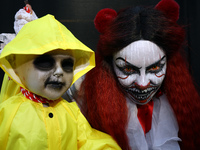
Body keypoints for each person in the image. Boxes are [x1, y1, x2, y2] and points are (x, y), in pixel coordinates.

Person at [78, 0, 200, 149]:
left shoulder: (177, 105)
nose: (143, 84)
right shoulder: (83, 100)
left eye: (155, 68)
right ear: (110, 66)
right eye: (128, 70)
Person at [0, 14, 121, 150]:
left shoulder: (71, 112)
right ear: (17, 67)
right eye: (45, 63)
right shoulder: (6, 113)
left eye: (67, 65)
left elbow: (90, 141)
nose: (59, 72)